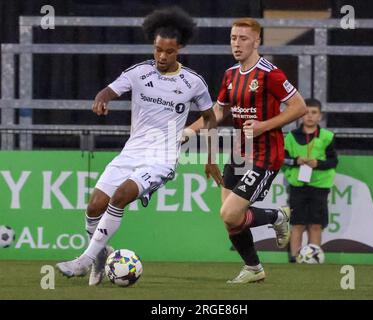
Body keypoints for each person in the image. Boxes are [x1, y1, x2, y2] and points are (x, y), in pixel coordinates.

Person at [56, 6, 222, 285]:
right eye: (158, 49)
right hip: (131, 152)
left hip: (162, 158)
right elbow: (109, 89)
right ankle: (99, 256)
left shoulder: (193, 82)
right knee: (95, 205)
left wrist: (210, 158)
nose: (162, 56)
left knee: (120, 196)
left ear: (179, 48)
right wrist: (103, 98)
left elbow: (210, 118)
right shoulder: (139, 72)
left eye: (168, 51)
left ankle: (83, 260)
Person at [184, 17, 307, 283]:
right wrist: (188, 132)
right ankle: (254, 268)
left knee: (230, 213)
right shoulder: (230, 75)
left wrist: (264, 126)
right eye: (233, 38)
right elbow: (217, 111)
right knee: (231, 220)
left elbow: (299, 107)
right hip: (239, 153)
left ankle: (277, 216)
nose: (236, 44)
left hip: (266, 155)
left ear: (257, 41)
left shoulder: (270, 73)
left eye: (243, 38)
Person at [283, 98, 338, 262]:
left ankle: (313, 258)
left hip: (319, 186)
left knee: (315, 224)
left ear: (320, 116)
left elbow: (333, 161)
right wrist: (295, 161)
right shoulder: (291, 137)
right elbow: (281, 159)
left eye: (314, 113)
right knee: (297, 224)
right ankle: (295, 258)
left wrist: (317, 163)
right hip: (297, 186)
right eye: (306, 112)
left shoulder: (327, 137)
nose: (309, 116)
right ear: (301, 115)